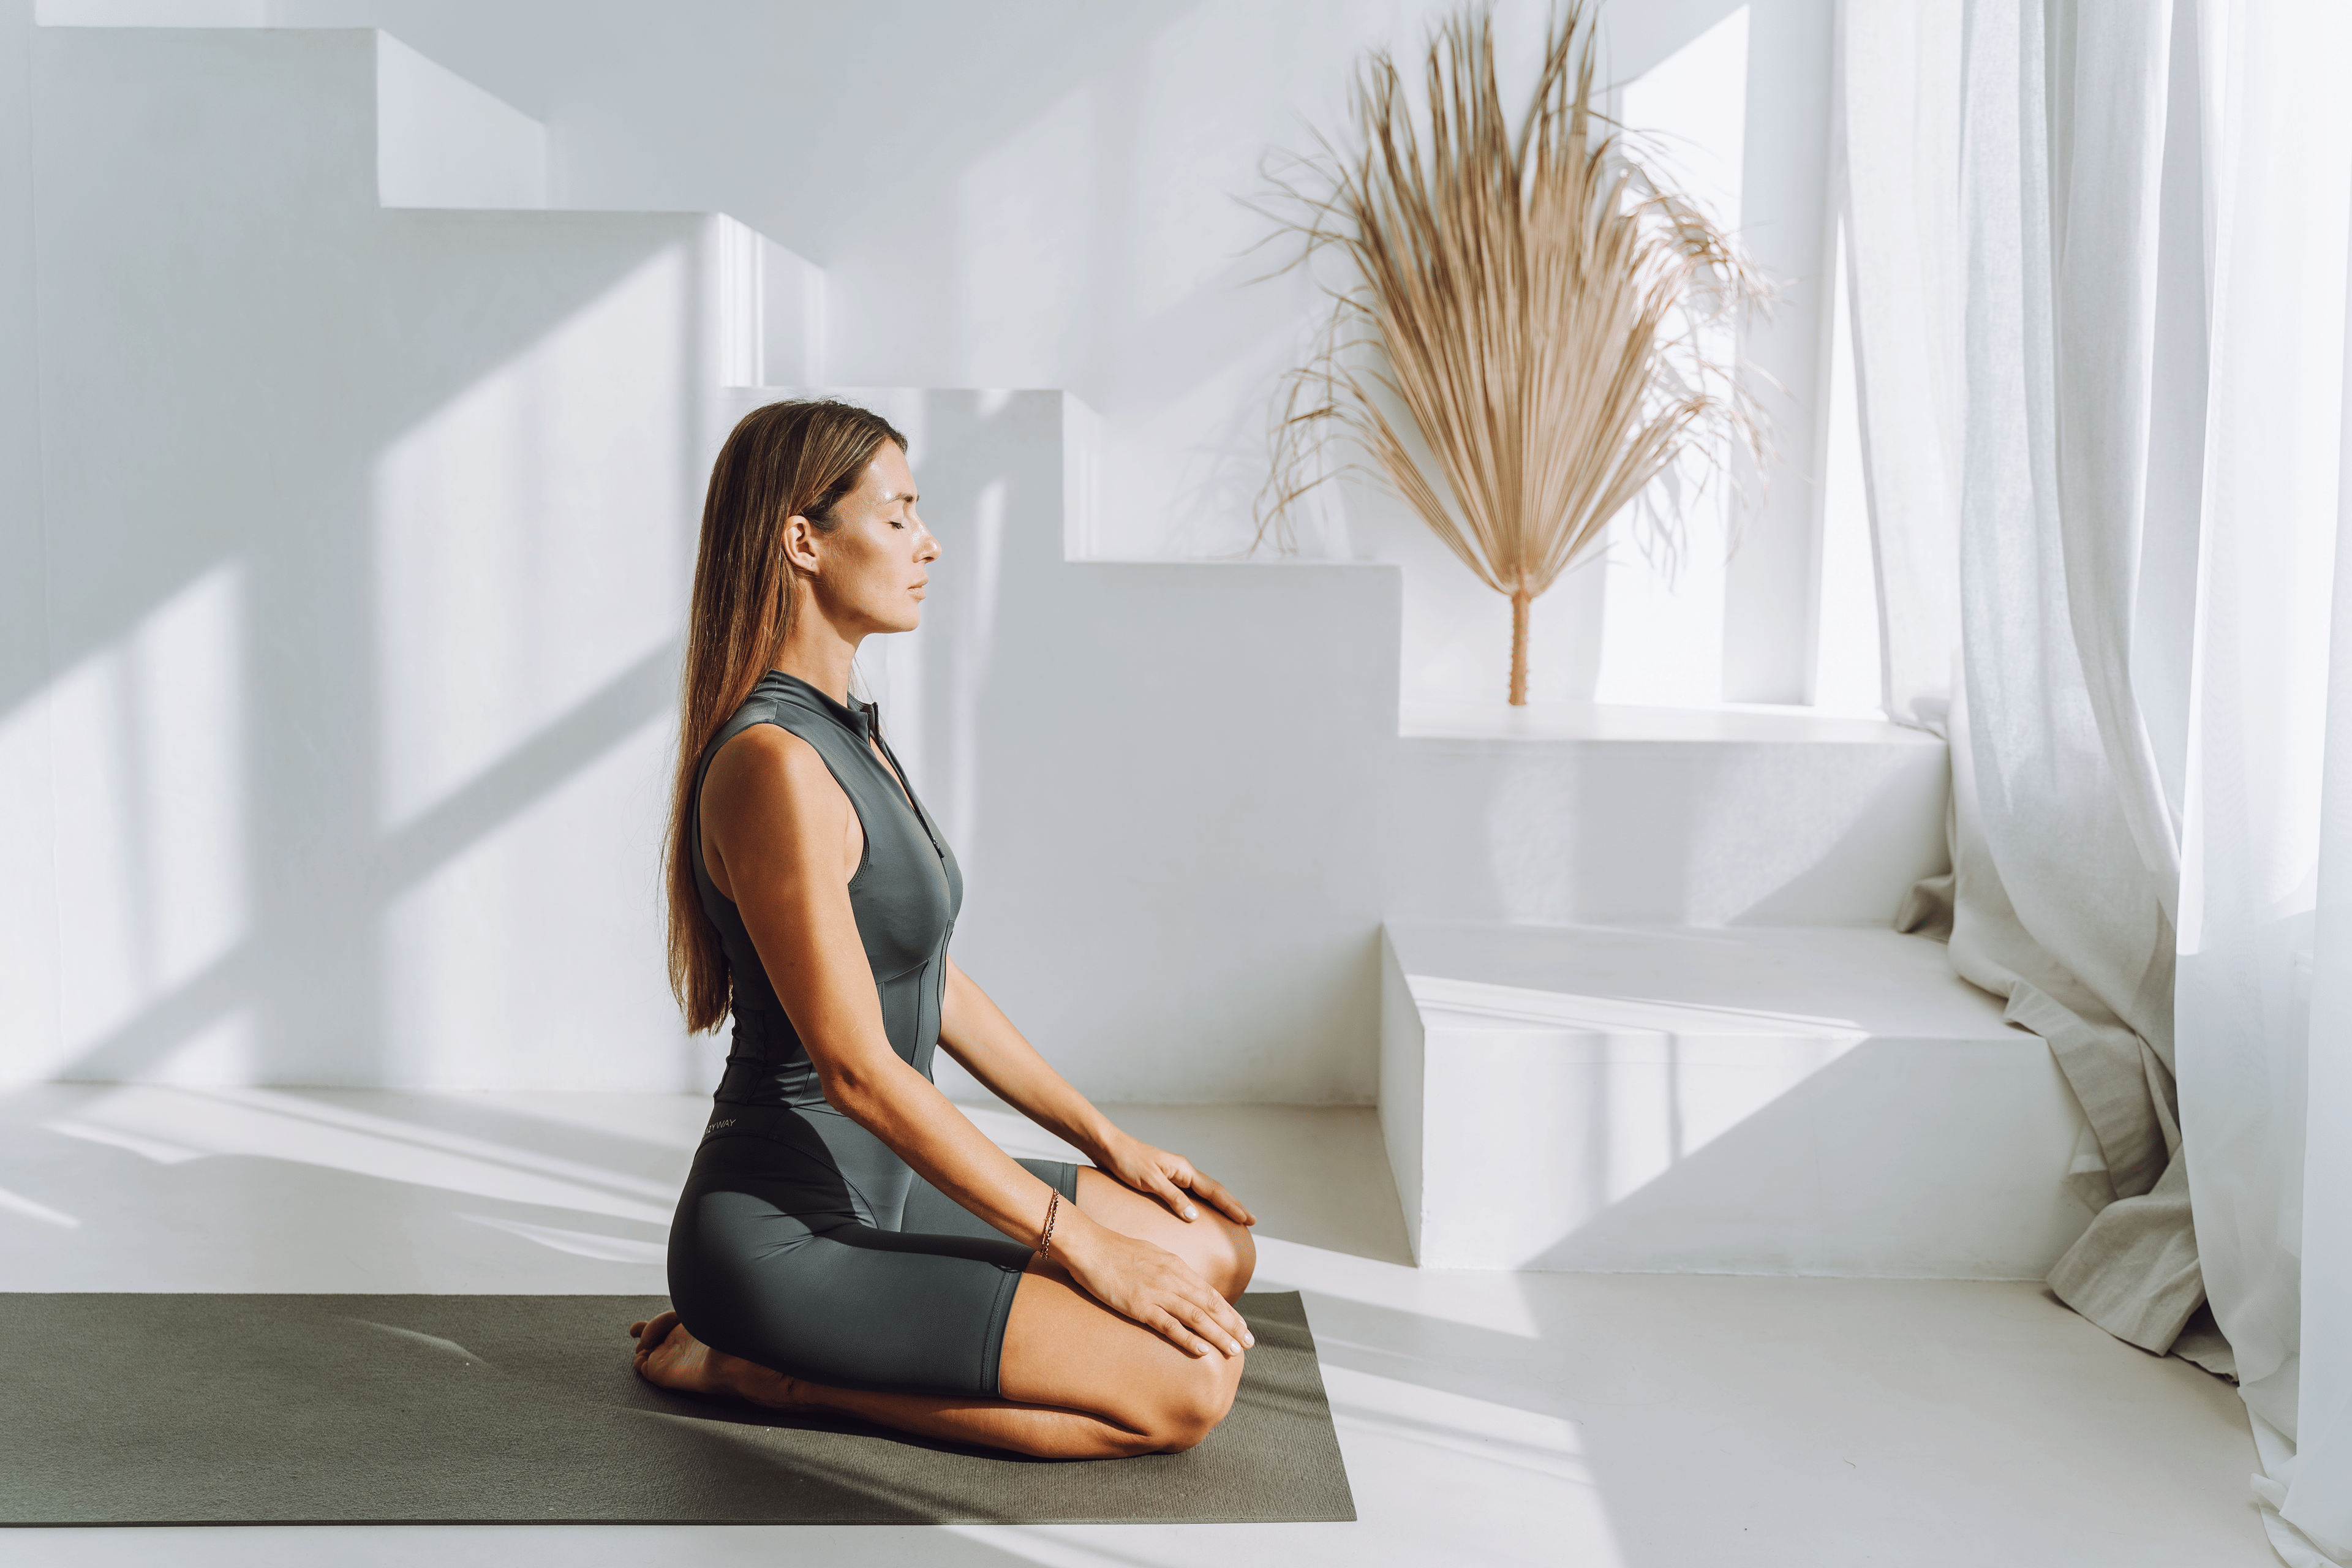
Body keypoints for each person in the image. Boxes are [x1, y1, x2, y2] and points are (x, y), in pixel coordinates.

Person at [628, 399, 1259, 1459]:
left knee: (1215, 1250)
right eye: (898, 517)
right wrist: (1082, 1249)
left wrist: (1110, 1145)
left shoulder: (846, 736)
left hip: (892, 1190)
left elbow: (932, 979)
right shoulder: (773, 768)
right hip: (786, 1236)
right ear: (802, 541)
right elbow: (860, 1074)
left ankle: (816, 1343)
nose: (928, 544)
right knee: (1191, 1387)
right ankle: (762, 1370)